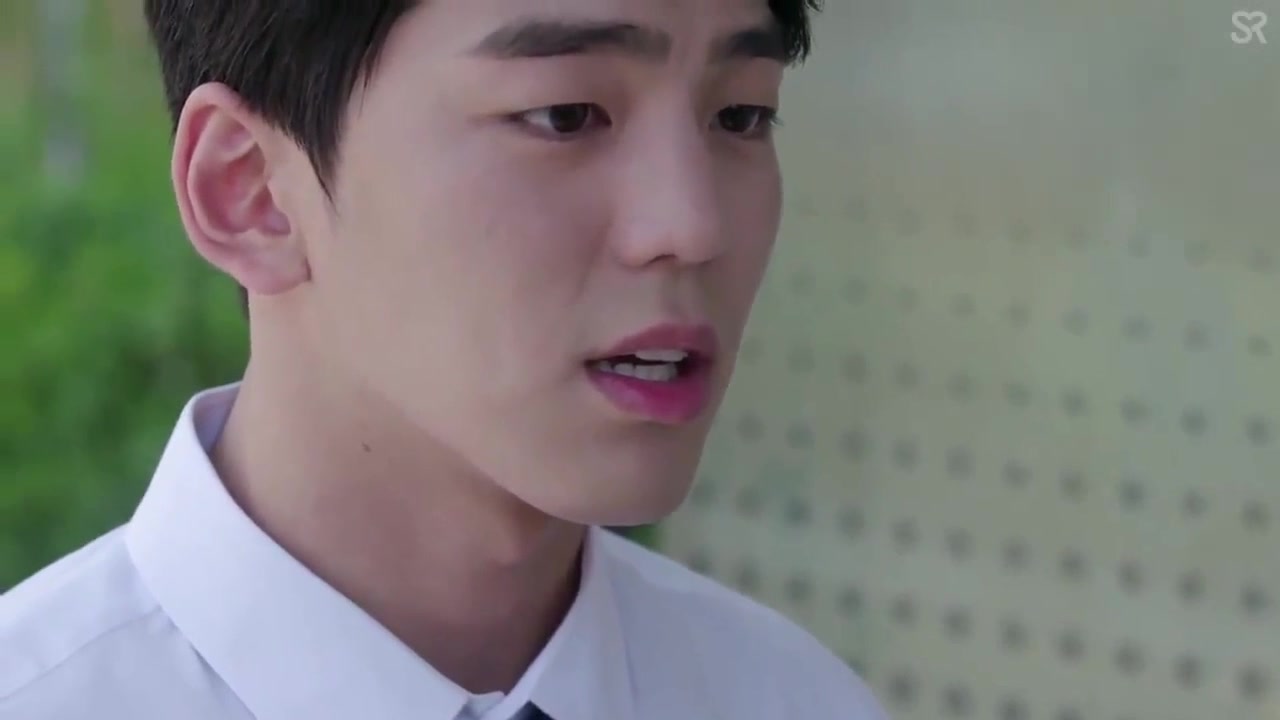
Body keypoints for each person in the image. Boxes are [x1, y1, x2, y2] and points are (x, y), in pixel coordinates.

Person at [0, 1, 889, 718]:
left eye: (741, 115)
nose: (692, 226)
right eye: (566, 116)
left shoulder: (792, 699)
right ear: (251, 190)